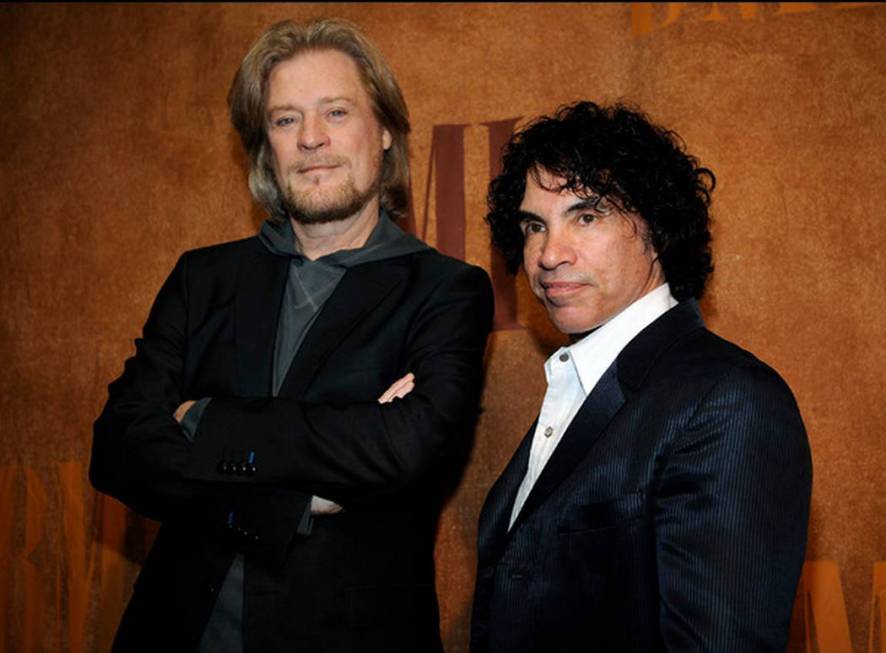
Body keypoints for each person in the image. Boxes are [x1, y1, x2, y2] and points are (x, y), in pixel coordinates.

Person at [90, 18, 493, 653]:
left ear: (384, 129)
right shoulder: (203, 279)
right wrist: (291, 503)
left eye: (335, 111)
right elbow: (118, 449)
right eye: (284, 120)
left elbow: (405, 450)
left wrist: (205, 419)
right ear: (264, 148)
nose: (311, 139)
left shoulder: (446, 291)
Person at [470, 101, 811, 652]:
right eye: (535, 225)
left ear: (656, 228)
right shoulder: (581, 385)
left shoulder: (730, 400)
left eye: (586, 216)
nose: (549, 253)